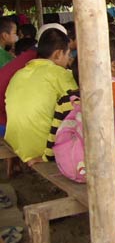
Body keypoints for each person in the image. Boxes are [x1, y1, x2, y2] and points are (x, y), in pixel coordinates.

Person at [5, 28, 77, 162]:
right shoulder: (60, 74)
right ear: (58, 54)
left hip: (18, 145)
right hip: (42, 149)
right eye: (68, 55)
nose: (69, 60)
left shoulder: (19, 73)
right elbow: (77, 105)